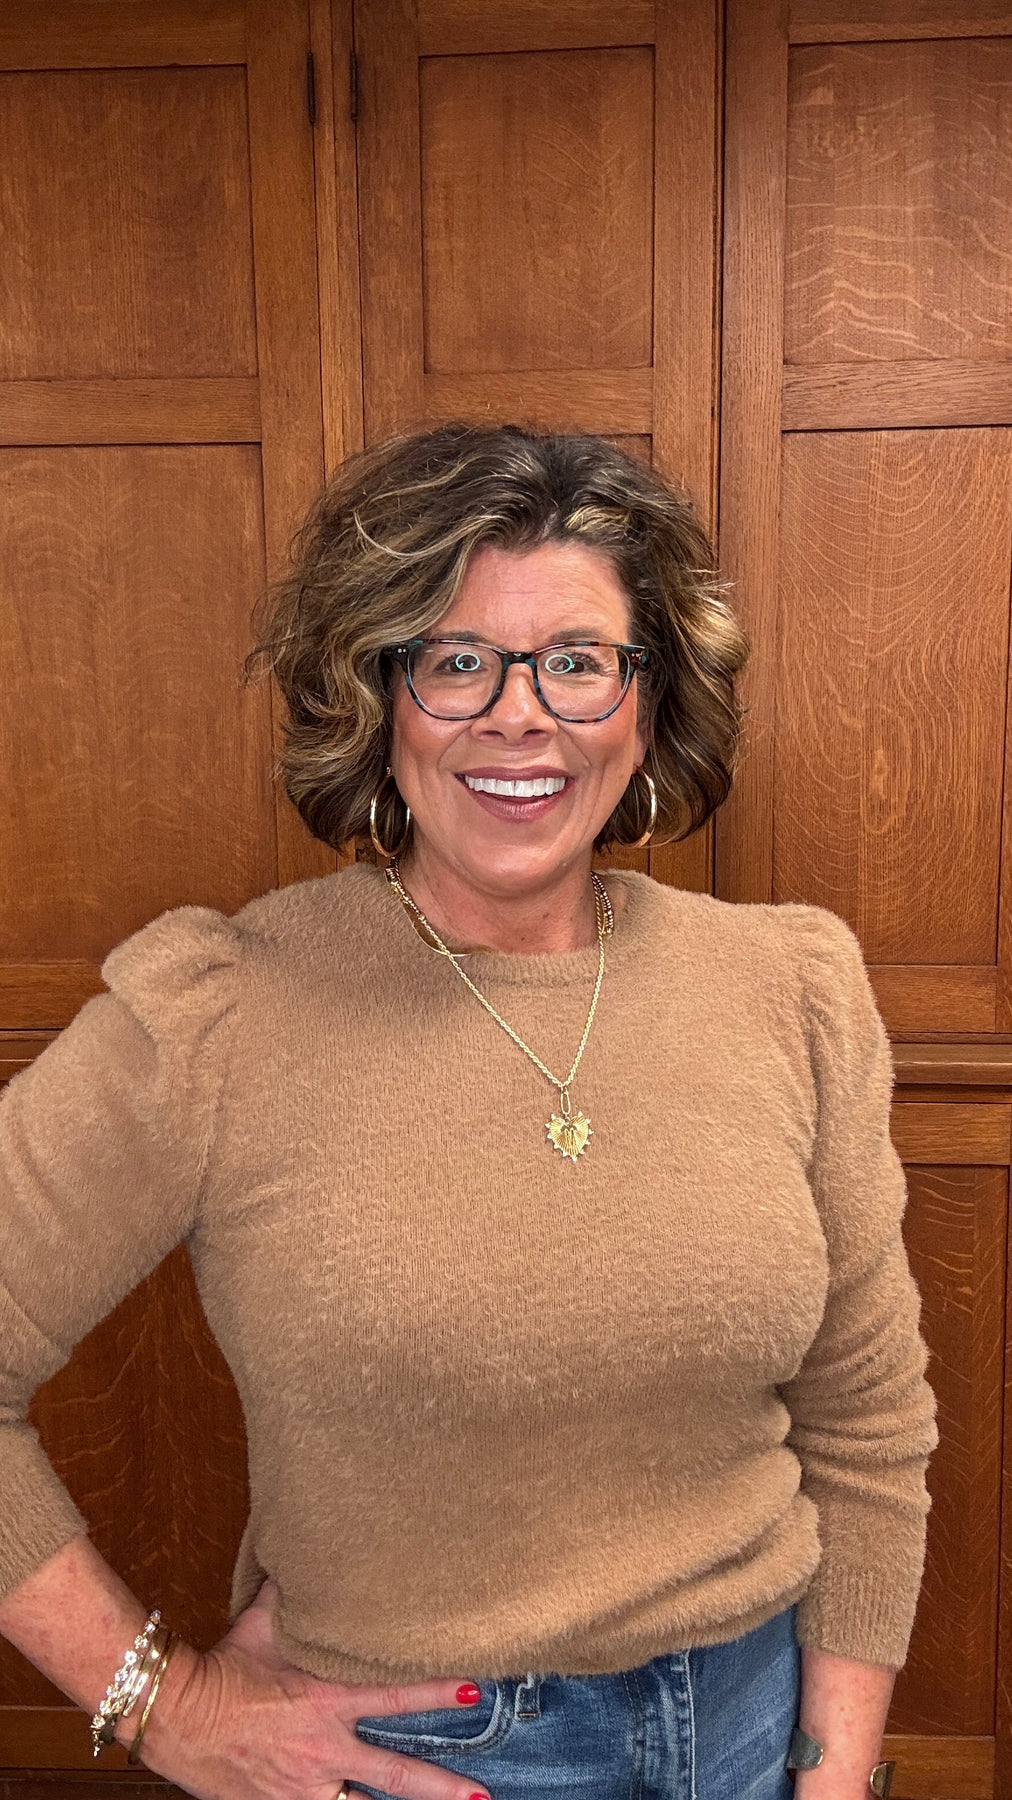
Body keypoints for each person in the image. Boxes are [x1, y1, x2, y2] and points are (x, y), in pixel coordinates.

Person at [0, 424, 937, 1800]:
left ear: (647, 701)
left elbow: (869, 1428)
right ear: (377, 697)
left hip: (757, 1727)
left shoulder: (789, 986)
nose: (519, 714)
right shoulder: (221, 1013)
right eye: (455, 661)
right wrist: (166, 1704)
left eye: (577, 660)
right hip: (425, 1758)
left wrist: (834, 1772)